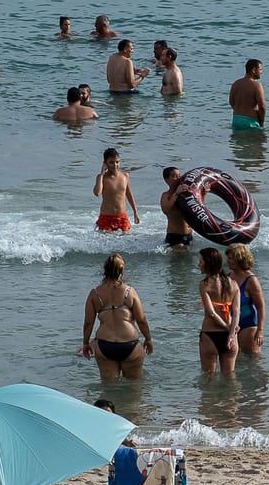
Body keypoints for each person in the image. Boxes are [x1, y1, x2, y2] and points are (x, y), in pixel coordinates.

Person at [78, 254, 154, 383]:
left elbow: (88, 323)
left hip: (104, 345)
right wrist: (148, 339)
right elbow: (141, 320)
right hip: (130, 344)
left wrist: (85, 343)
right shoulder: (130, 292)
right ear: (121, 270)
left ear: (105, 269)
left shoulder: (95, 294)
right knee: (134, 389)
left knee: (108, 389)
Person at [196, 247, 240, 374]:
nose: (199, 264)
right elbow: (236, 312)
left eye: (201, 261)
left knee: (208, 378)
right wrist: (231, 333)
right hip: (231, 336)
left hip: (210, 334)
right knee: (230, 377)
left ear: (209, 263)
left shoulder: (204, 285)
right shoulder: (233, 283)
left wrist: (227, 328)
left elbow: (211, 313)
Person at [228, 243, 266, 355]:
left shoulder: (251, 280)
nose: (228, 261)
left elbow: (261, 306)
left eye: (231, 258)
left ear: (239, 259)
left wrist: (260, 331)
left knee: (252, 363)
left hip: (248, 325)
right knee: (235, 361)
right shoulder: (229, 276)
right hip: (231, 325)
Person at [92, 147, 137, 232]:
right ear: (105, 163)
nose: (115, 165)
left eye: (117, 162)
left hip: (122, 217)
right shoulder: (102, 178)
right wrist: (102, 174)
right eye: (111, 162)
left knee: (126, 242)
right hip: (106, 217)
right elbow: (97, 193)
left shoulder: (125, 176)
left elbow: (129, 194)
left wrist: (135, 212)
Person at [159, 167, 193, 250]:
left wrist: (204, 192)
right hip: (175, 237)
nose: (178, 178)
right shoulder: (166, 195)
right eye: (174, 176)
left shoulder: (187, 194)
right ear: (166, 180)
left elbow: (198, 207)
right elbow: (166, 210)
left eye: (179, 175)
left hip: (189, 235)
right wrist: (176, 193)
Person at [229, 58, 267, 129]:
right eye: (260, 69)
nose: (261, 72)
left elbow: (231, 101)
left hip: (236, 119)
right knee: (258, 139)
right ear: (254, 70)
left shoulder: (236, 83)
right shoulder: (257, 85)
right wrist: (262, 122)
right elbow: (262, 106)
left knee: (238, 140)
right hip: (250, 122)